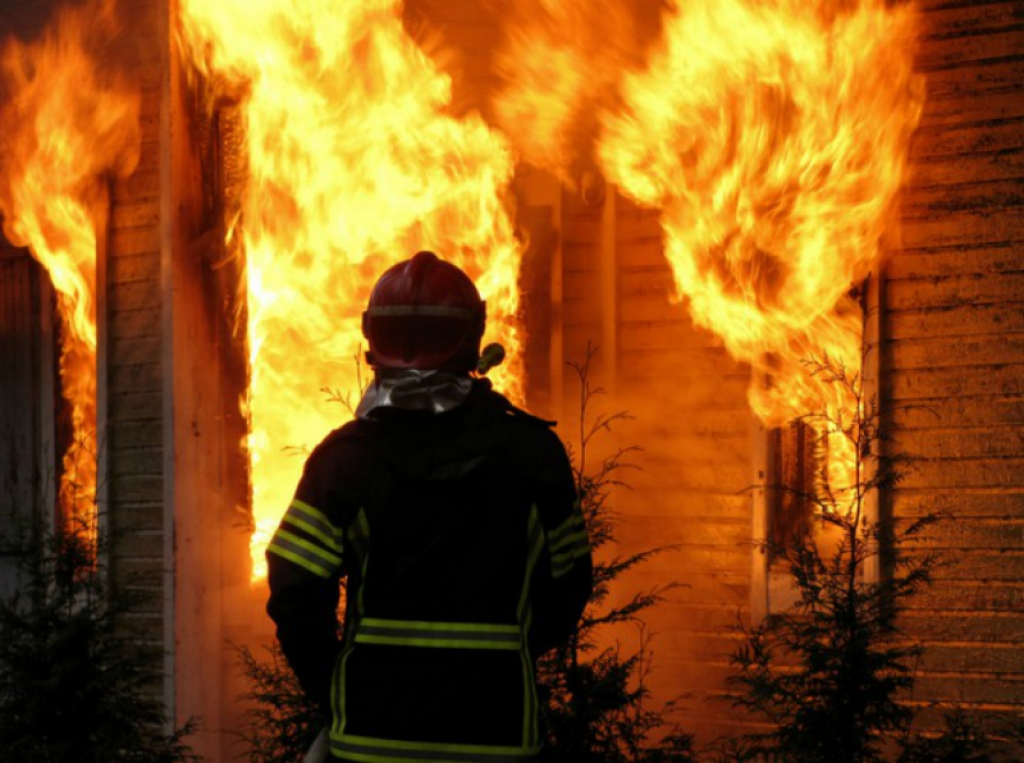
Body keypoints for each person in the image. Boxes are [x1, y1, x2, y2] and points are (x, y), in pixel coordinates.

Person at [266, 250, 593, 763]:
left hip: (370, 740)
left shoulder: (344, 460)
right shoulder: (533, 454)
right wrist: (509, 657)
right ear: (472, 338)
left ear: (373, 338)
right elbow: (569, 584)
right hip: (499, 734)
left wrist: (338, 688)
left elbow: (295, 593)